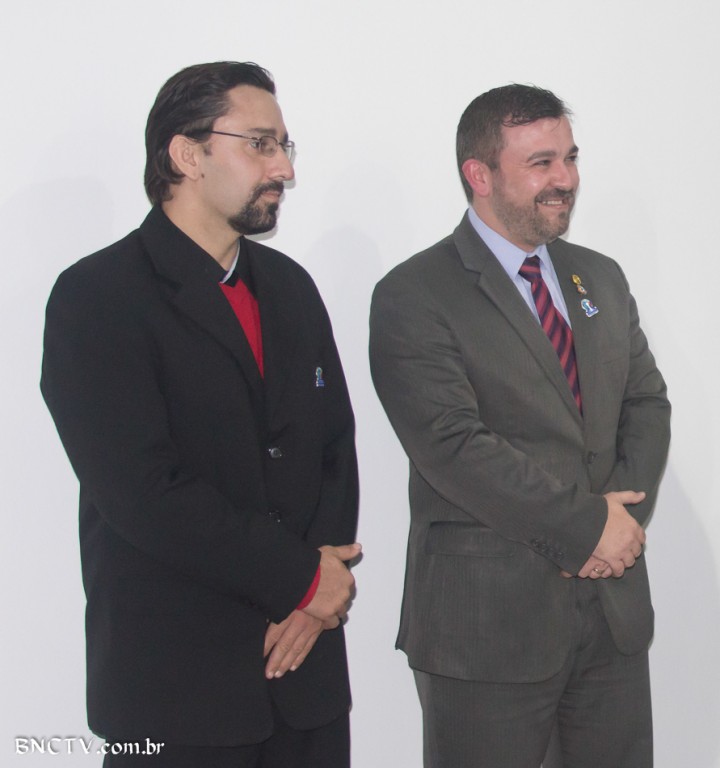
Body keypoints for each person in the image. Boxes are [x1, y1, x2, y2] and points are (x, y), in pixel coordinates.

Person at [41, 61, 360, 768]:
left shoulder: (291, 287)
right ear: (187, 155)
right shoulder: (97, 296)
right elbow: (143, 493)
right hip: (177, 689)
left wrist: (317, 595)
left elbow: (334, 449)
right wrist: (300, 578)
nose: (284, 169)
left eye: (284, 146)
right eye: (260, 144)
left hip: (305, 682)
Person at [369, 84, 670, 768]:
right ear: (479, 175)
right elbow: (452, 446)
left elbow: (646, 405)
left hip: (611, 619)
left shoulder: (601, 278)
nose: (565, 179)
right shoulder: (414, 295)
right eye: (541, 163)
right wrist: (585, 529)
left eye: (570, 157)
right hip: (486, 631)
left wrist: (617, 527)